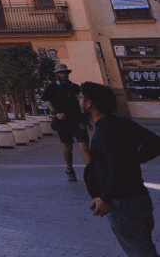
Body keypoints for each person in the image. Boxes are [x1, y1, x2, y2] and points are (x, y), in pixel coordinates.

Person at [82, 81, 160, 256]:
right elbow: (155, 143)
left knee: (141, 252)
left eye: (81, 97)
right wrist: (134, 159)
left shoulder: (104, 130)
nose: (79, 100)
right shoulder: (121, 123)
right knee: (143, 249)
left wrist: (106, 198)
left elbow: (117, 167)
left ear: (89, 103)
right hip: (139, 199)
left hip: (123, 204)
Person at [44, 62, 91, 181]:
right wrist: (56, 113)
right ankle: (70, 169)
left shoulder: (75, 87)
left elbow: (83, 103)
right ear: (57, 74)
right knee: (67, 147)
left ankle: (90, 172)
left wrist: (88, 121)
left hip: (78, 120)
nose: (64, 75)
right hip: (63, 122)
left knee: (84, 147)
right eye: (61, 73)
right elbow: (48, 102)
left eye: (65, 72)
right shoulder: (52, 87)